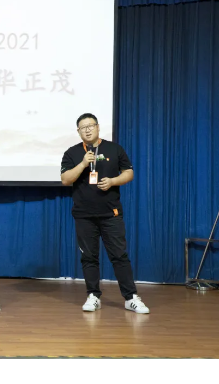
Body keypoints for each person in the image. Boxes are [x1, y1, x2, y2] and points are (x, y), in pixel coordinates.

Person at [60, 113, 150, 314]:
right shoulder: (72, 153)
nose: (87, 130)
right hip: (84, 214)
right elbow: (65, 179)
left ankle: (130, 298)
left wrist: (112, 181)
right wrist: (83, 164)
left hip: (111, 213)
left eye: (90, 125)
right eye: (83, 127)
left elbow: (129, 173)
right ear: (78, 131)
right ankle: (93, 295)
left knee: (119, 255)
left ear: (98, 127)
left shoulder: (114, 149)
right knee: (89, 257)